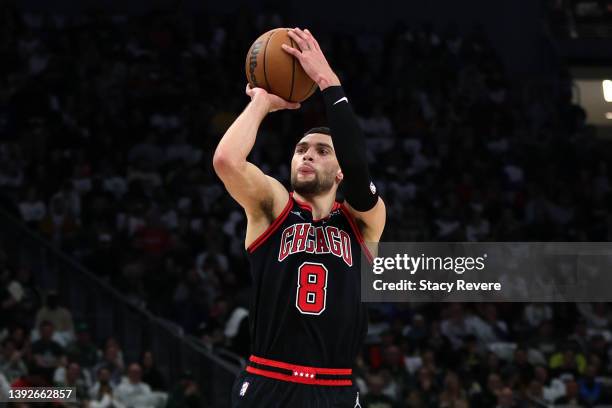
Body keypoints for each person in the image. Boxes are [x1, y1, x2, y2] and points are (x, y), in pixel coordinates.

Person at [214, 27, 385, 407]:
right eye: (301, 149)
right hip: (269, 380)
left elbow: (358, 166)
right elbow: (227, 161)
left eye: (323, 151)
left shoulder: (361, 222)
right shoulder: (274, 207)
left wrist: (328, 82)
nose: (307, 155)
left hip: (335, 387)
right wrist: (260, 102)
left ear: (340, 172)